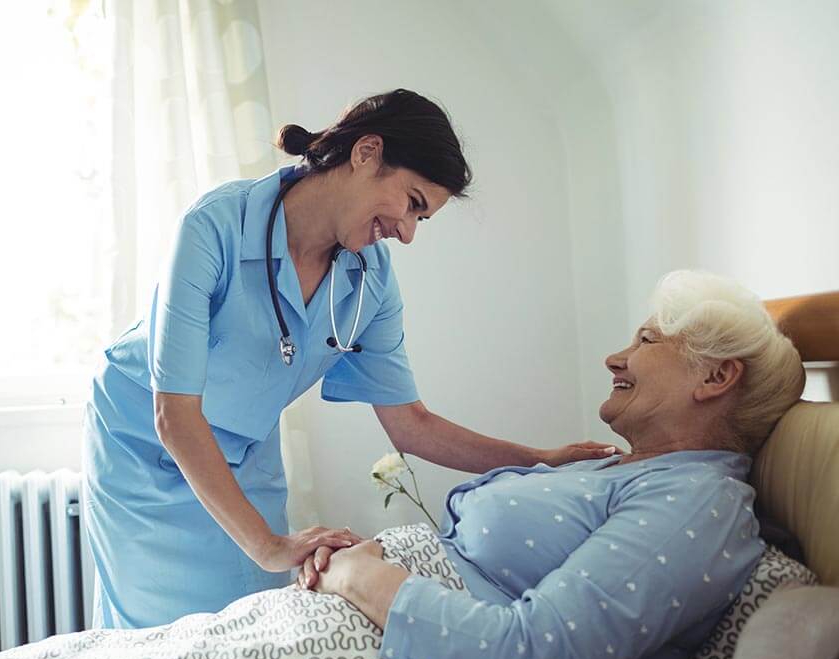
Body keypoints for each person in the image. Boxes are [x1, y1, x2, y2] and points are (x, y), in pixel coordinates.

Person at [82, 88, 616, 630]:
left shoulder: (370, 281)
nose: (407, 233)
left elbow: (412, 426)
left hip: (244, 445)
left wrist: (540, 460)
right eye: (411, 202)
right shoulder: (215, 226)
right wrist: (267, 545)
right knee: (157, 633)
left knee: (248, 626)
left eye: (422, 220)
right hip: (143, 438)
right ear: (366, 153)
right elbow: (174, 414)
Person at [301, 269, 806, 659]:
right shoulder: (626, 469)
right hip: (341, 643)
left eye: (647, 340)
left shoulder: (699, 502)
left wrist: (359, 577)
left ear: (715, 379)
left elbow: (531, 655)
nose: (615, 358)